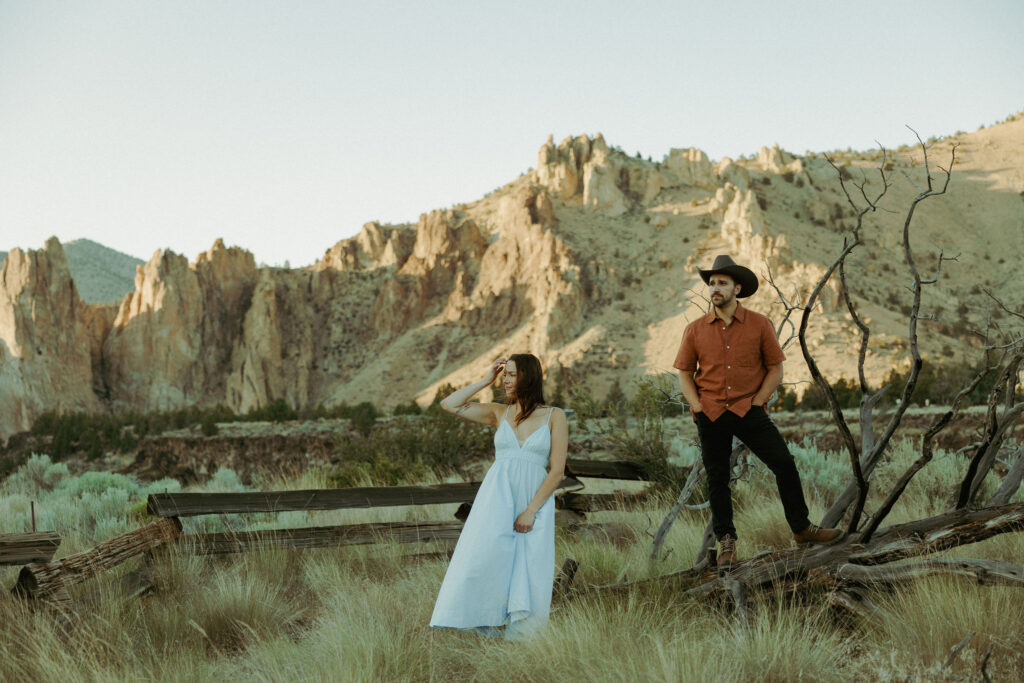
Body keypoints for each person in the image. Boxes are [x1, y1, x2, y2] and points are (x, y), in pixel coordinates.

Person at [674, 254, 842, 569]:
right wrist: (697, 406)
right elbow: (684, 372)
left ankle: (801, 528)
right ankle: (726, 542)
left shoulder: (760, 324)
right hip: (711, 412)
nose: (715, 288)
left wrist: (758, 401)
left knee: (784, 463)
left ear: (737, 288)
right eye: (712, 283)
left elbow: (776, 368)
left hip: (747, 408)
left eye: (722, 283)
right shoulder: (695, 330)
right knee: (718, 479)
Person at [430, 353, 568, 640]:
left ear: (529, 377)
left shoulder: (554, 416)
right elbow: (449, 404)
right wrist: (486, 379)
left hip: (535, 502)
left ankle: (524, 638)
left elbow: (556, 472)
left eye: (512, 374)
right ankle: (486, 624)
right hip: (496, 500)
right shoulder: (498, 413)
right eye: (505, 375)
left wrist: (530, 511)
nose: (506, 380)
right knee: (483, 559)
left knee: (531, 565)